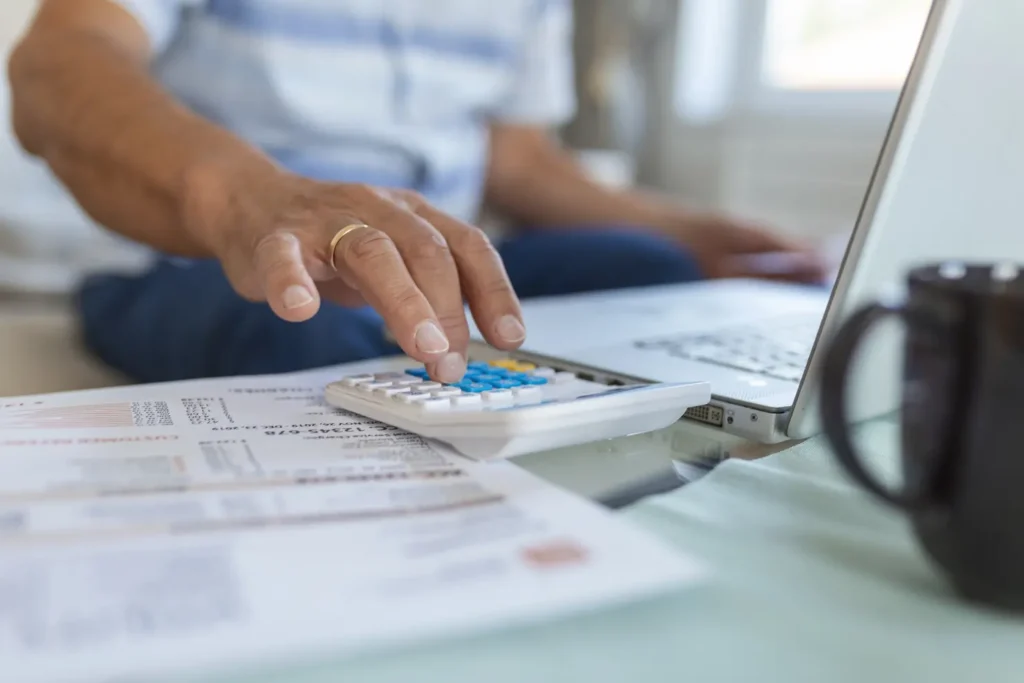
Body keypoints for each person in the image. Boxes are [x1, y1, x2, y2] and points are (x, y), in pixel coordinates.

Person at [7, 0, 824, 386]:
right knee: (301, 337)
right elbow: (54, 66)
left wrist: (699, 231)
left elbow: (520, 162)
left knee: (656, 271)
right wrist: (249, 199)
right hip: (206, 264)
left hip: (436, 258)